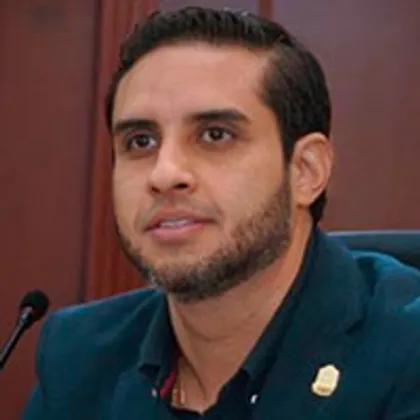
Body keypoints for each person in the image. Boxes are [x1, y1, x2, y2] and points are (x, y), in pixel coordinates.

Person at [23, 6, 420, 420]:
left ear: (306, 171)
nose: (165, 174)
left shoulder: (406, 351)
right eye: (141, 142)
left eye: (215, 135)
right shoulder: (78, 357)